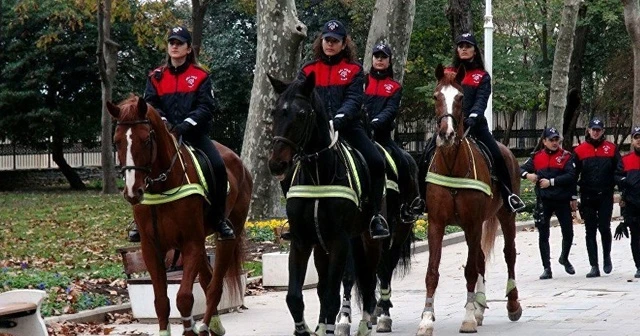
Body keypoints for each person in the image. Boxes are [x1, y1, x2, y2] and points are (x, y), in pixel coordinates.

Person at [138, 26, 234, 241]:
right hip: (163, 137)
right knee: (140, 165)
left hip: (194, 135)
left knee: (218, 167)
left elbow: (206, 107)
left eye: (179, 43)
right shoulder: (155, 76)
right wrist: (164, 123)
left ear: (189, 48)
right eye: (171, 42)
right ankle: (138, 221)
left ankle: (218, 219)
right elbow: (151, 105)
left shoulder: (200, 76)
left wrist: (184, 126)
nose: (174, 46)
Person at [297, 20, 389, 239]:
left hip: (348, 128)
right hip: (317, 133)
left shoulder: (354, 70)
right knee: (287, 162)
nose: (330, 44)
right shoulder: (308, 69)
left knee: (376, 161)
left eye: (335, 41)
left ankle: (375, 215)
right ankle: (296, 218)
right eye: (327, 40)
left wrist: (339, 119)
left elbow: (354, 99)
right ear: (321, 41)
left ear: (343, 44)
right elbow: (300, 97)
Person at [419, 32, 525, 213]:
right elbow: (441, 100)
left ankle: (509, 195)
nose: (464, 49)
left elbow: (482, 99)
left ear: (475, 51)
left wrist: (474, 116)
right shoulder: (447, 73)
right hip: (450, 124)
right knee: (425, 155)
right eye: (461, 46)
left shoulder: (482, 76)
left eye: (468, 46)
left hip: (475, 126)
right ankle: (420, 199)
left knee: (499, 155)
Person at [364, 42, 423, 222]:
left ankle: (407, 204)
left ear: (389, 61)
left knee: (404, 162)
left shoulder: (394, 87)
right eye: (377, 56)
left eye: (383, 57)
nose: (380, 60)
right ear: (372, 59)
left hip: (382, 137)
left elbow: (390, 110)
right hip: (361, 133)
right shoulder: (361, 82)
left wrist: (375, 122)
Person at [520, 127, 576, 280]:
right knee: (543, 234)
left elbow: (571, 176)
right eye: (551, 140)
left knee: (568, 232)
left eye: (556, 139)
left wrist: (552, 182)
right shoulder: (537, 157)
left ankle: (564, 257)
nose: (554, 142)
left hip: (562, 199)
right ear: (544, 141)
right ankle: (546, 268)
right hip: (544, 200)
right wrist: (528, 175)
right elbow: (520, 169)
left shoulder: (566, 156)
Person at [573, 117, 620, 277]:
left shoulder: (611, 149)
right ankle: (594, 265)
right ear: (588, 130)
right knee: (590, 230)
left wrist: (620, 191)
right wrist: (573, 195)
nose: (595, 132)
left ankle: (607, 257)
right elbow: (574, 174)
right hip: (587, 195)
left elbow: (619, 170)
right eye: (593, 129)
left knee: (604, 228)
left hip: (605, 194)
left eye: (598, 130)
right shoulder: (580, 150)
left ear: (602, 132)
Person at [614, 126, 640, 279]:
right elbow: (617, 176)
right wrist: (626, 180)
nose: (639, 140)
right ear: (632, 140)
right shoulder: (625, 160)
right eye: (636, 137)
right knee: (635, 236)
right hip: (632, 204)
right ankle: (638, 265)